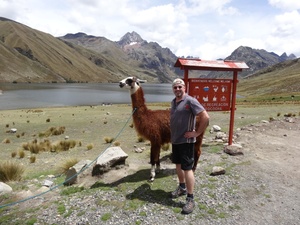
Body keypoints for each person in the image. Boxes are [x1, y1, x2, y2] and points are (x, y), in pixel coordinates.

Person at [170, 78, 210, 214]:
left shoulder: (190, 101)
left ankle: (190, 198)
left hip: (186, 142)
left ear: (184, 88)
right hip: (175, 141)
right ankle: (182, 187)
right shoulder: (173, 102)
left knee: (187, 169)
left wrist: (197, 132)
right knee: (178, 165)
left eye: (180, 87)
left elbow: (205, 116)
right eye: (175, 87)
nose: (177, 89)